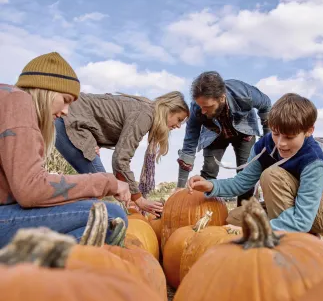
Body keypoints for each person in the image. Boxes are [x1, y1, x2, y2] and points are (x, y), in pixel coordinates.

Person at [0, 52, 130, 248]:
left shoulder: (8, 99)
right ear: (46, 90)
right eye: (66, 99)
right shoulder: (19, 101)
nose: (66, 112)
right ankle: (18, 269)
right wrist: (108, 182)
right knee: (112, 217)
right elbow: (30, 190)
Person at [187, 93, 323, 234]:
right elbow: (241, 182)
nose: (281, 143)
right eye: (276, 134)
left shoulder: (312, 159)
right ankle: (291, 230)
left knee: (271, 174)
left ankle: (298, 238)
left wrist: (259, 230)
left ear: (309, 131)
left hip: (322, 212)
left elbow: (303, 218)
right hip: (291, 206)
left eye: (289, 137)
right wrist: (211, 185)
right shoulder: (264, 146)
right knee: (235, 218)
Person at [55, 89, 189, 216]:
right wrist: (139, 199)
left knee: (100, 185)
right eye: (179, 119)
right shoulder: (145, 115)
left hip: (70, 118)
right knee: (102, 183)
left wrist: (95, 141)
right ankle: (63, 216)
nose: (178, 126)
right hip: (69, 120)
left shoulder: (145, 110)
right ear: (168, 110)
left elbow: (102, 117)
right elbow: (120, 160)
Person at [176, 71, 271, 207]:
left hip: (244, 131)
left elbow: (266, 104)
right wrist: (180, 185)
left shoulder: (243, 94)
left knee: (246, 172)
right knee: (209, 170)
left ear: (221, 98)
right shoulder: (197, 109)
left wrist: (268, 140)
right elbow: (189, 144)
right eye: (200, 106)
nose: (202, 111)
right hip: (213, 133)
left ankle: (243, 212)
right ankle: (203, 210)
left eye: (207, 107)